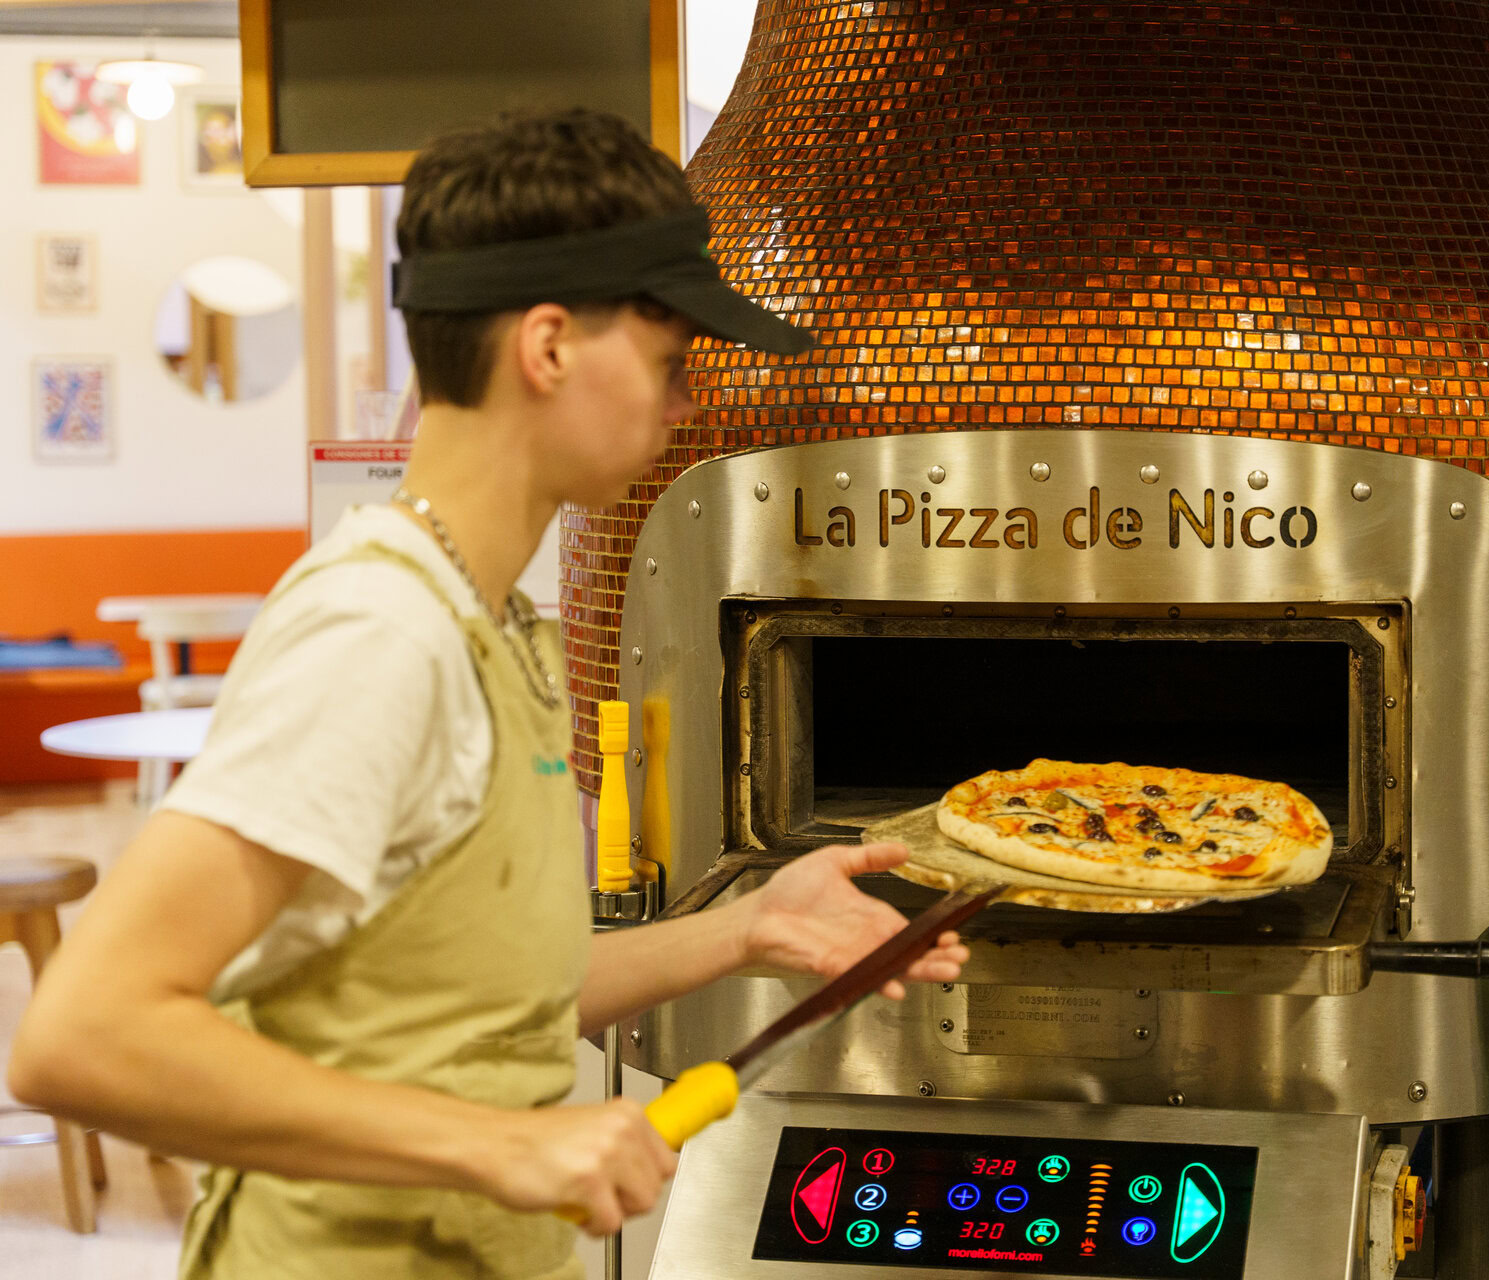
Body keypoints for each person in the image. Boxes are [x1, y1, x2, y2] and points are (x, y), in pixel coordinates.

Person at [9, 108, 967, 1279]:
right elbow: (82, 1035)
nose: (685, 403)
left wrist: (747, 929)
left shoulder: (493, 621)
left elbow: (479, 1001)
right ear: (550, 346)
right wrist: (500, 1146)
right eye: (670, 359)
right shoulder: (379, 632)